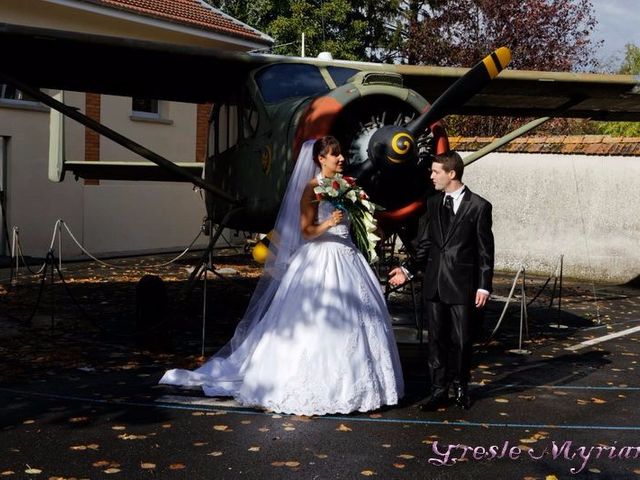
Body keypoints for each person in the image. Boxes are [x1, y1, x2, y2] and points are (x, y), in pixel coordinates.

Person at [160, 136, 404, 416]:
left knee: (361, 319)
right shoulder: (311, 189)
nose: (341, 159)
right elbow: (306, 232)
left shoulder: (348, 186)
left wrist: (372, 230)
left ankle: (363, 385)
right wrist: (328, 222)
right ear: (320, 159)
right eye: (334, 155)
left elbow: (361, 222)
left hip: (349, 258)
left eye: (341, 155)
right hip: (320, 260)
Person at [389, 150, 494, 411]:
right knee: (435, 340)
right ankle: (438, 391)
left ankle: (460, 388)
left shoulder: (479, 206)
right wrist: (408, 270)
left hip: (463, 285)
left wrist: (484, 285)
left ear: (452, 174)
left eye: (436, 171)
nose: (431, 176)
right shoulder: (434, 203)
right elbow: (425, 244)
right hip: (434, 283)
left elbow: (485, 250)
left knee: (461, 340)